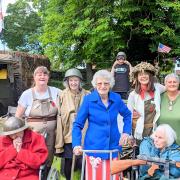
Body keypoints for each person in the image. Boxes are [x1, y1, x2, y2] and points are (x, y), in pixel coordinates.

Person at [72, 69, 132, 180]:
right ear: (95, 85)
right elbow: (77, 124)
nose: (103, 86)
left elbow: (127, 115)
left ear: (110, 85)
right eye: (99, 83)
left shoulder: (116, 98)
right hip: (94, 149)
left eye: (106, 83)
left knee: (113, 177)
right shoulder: (88, 100)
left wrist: (126, 132)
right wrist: (76, 144)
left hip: (113, 148)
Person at [15, 66, 61, 170]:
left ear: (48, 77)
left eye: (45, 74)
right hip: (33, 133)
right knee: (34, 157)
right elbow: (17, 116)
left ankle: (46, 173)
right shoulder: (27, 94)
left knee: (49, 157)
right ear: (34, 77)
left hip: (52, 133)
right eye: (39, 74)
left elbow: (69, 97)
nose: (42, 76)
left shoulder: (56, 92)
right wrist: (17, 136)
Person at [55, 68, 89, 180]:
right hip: (68, 133)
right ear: (67, 82)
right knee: (69, 160)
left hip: (84, 132)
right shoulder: (62, 95)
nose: (73, 83)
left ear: (80, 81)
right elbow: (59, 115)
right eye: (71, 80)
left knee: (84, 161)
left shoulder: (87, 94)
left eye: (76, 80)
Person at [127, 62, 165, 141]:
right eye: (140, 74)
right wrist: (129, 135)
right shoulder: (133, 95)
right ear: (137, 77)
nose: (143, 76)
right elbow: (128, 115)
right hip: (138, 132)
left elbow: (171, 89)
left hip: (154, 132)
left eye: (146, 74)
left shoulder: (158, 88)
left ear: (150, 76)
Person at [157, 73, 180, 144]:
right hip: (162, 142)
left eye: (174, 82)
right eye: (169, 82)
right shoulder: (158, 97)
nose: (172, 84)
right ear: (165, 84)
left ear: (178, 83)